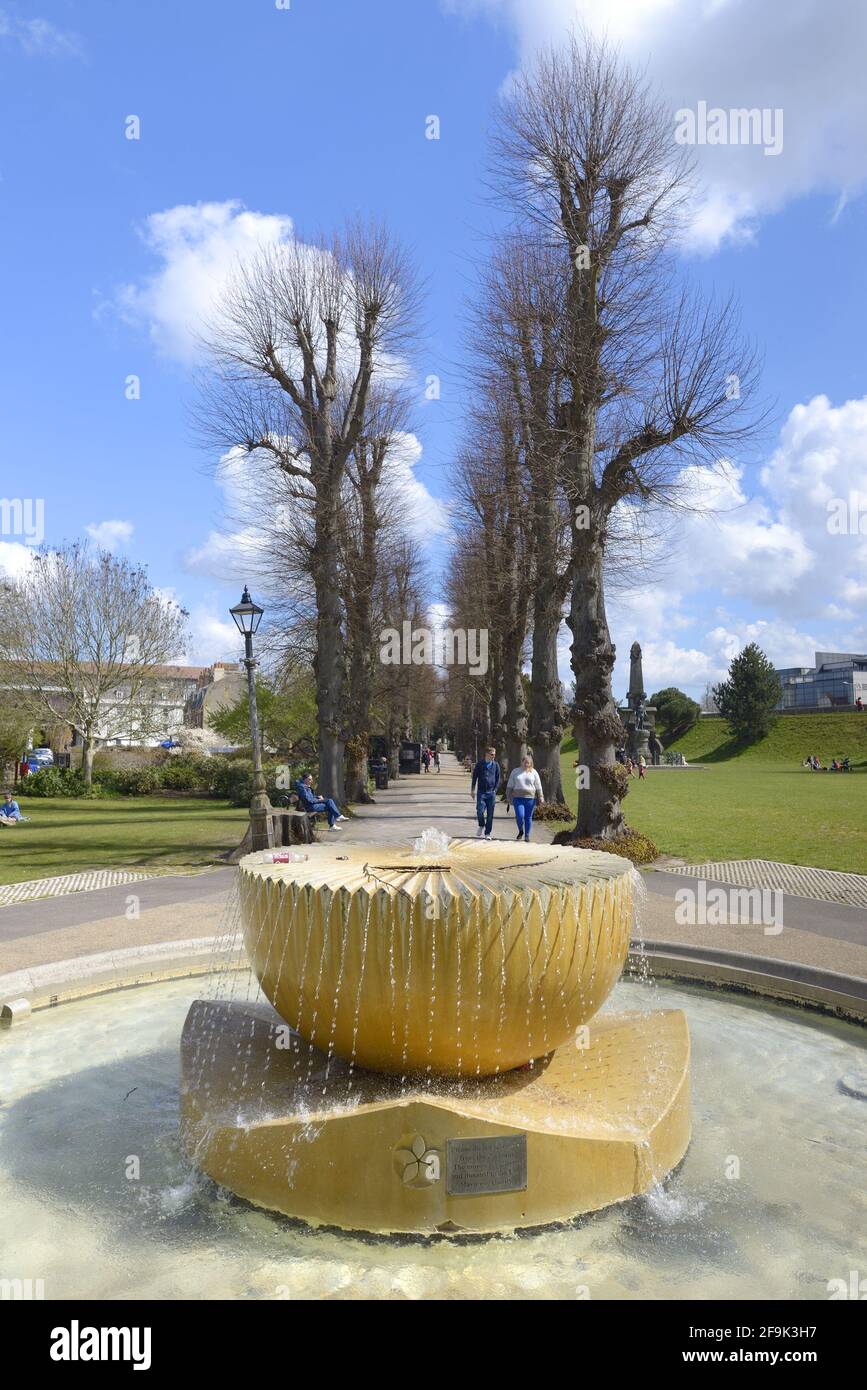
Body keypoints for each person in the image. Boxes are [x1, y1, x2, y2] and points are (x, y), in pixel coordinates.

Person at [506, 755, 544, 841]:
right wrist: (508, 796)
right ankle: (521, 830)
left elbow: (538, 785)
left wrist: (541, 796)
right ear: (522, 762)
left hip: (530, 799)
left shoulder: (534, 772)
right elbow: (510, 785)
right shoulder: (515, 771)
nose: (527, 764)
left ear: (531, 764)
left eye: (529, 763)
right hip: (518, 798)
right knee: (520, 816)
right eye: (525, 762)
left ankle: (527, 835)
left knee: (528, 817)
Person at [471, 746, 500, 840]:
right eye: (492, 754)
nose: (493, 756)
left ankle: (487, 833)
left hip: (491, 793)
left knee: (490, 814)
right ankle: (481, 825)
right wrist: (472, 790)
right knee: (480, 811)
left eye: (494, 755)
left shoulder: (496, 765)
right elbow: (474, 777)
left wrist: (495, 790)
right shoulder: (480, 764)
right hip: (481, 792)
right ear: (486, 754)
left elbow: (498, 778)